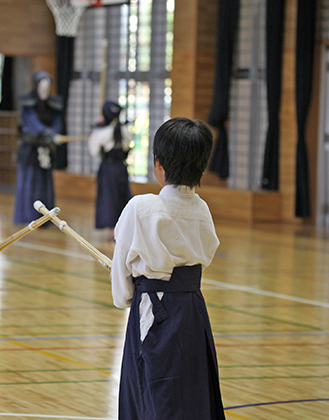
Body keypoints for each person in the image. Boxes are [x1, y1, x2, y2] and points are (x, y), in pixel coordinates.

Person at [110, 117, 225, 420]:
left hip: (155, 311)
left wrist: (127, 295)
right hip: (192, 310)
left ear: (158, 163)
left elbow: (122, 269)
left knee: (152, 392)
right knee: (190, 392)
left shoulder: (141, 206)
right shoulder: (201, 208)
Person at [13, 70, 63, 224]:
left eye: (47, 88)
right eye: (42, 87)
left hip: (45, 150)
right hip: (29, 150)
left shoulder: (53, 106)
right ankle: (27, 216)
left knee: (45, 183)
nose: (44, 91)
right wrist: (45, 133)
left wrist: (54, 134)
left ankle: (45, 218)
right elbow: (31, 123)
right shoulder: (28, 106)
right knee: (29, 182)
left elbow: (57, 123)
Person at [88, 101, 132, 242]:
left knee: (109, 199)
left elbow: (93, 150)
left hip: (108, 168)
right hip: (122, 168)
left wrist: (96, 133)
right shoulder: (125, 130)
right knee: (121, 197)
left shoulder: (101, 132)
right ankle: (121, 230)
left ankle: (113, 230)